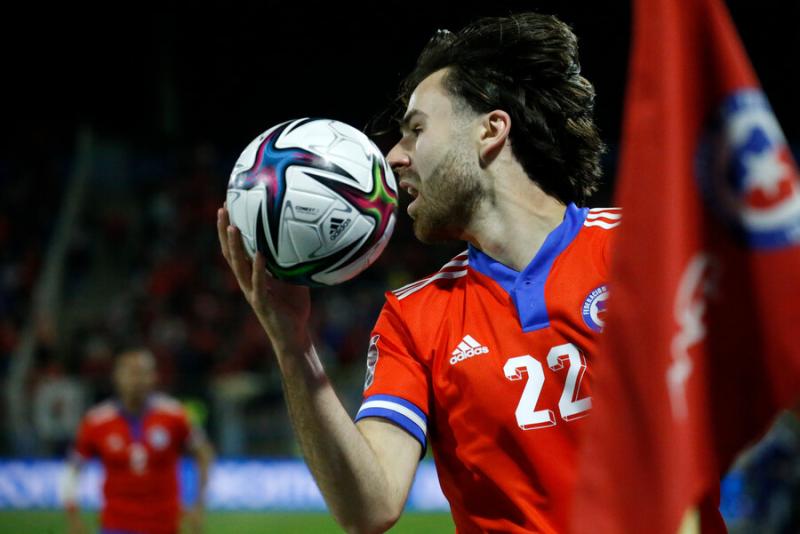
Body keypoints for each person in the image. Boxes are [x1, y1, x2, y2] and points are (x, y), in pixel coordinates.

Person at [218, 12, 614, 533]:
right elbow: (371, 507)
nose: (393, 156)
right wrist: (293, 344)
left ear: (490, 131)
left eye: (416, 130)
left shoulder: (637, 252)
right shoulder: (413, 318)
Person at [62, 348, 214, 534]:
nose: (136, 380)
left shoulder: (175, 415)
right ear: (117, 377)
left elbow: (204, 454)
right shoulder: (96, 421)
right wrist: (73, 516)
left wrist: (199, 505)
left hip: (164, 526)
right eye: (130, 373)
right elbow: (72, 468)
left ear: (154, 377)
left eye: (143, 373)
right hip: (116, 525)